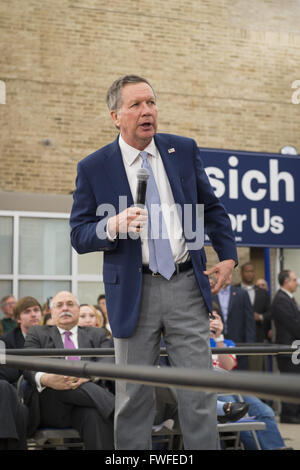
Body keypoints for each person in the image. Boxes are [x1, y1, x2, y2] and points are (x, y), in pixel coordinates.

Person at [70, 74, 237, 450]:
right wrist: (111, 224)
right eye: (136, 105)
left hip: (186, 286)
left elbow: (212, 208)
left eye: (151, 102)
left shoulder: (182, 149)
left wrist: (228, 258)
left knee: (199, 394)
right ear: (116, 116)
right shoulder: (94, 166)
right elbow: (78, 235)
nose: (147, 111)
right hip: (133, 291)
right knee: (133, 398)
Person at [23, 291, 115, 449]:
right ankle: (120, 410)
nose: (65, 308)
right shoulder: (37, 333)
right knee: (63, 382)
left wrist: (88, 375)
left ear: (78, 310)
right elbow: (27, 366)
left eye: (70, 304)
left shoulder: (97, 334)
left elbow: (107, 360)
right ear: (52, 312)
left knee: (94, 418)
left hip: (86, 404)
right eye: (59, 305)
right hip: (51, 403)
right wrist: (46, 379)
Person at [210, 307, 289, 450]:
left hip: (231, 386)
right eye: (208, 318)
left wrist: (218, 338)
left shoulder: (227, 343)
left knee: (265, 412)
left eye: (215, 318)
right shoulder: (195, 343)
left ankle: (278, 447)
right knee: (239, 416)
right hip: (213, 390)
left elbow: (227, 366)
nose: (212, 322)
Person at [271, 270, 300, 423]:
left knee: (296, 380)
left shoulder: (289, 299)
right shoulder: (281, 299)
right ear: (286, 282)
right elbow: (293, 324)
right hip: (287, 350)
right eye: (294, 280)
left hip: (294, 350)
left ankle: (295, 413)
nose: (297, 283)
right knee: (290, 381)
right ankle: (289, 415)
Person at [212, 274, 256, 370]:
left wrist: (249, 346)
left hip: (239, 343)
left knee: (241, 379)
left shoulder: (242, 294)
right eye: (226, 273)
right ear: (216, 276)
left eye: (231, 273)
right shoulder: (210, 294)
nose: (229, 276)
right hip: (216, 341)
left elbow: (249, 321)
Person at [0, 296, 43, 385]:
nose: (33, 314)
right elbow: (9, 376)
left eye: (36, 310)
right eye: (27, 311)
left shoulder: (51, 335)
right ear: (18, 319)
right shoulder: (6, 341)